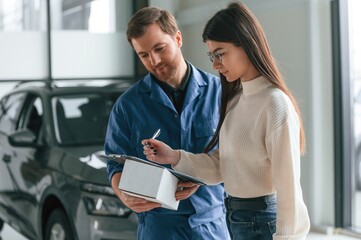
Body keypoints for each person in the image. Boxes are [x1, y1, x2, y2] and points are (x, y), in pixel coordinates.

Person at [143, 2, 311, 240]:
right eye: (211, 55)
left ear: (247, 44)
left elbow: (289, 189)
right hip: (234, 216)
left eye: (220, 53)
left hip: (263, 222)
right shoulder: (235, 100)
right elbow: (224, 165)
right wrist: (174, 156)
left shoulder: (275, 104)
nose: (215, 64)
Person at [104, 6, 230, 240]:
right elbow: (115, 163)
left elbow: (237, 157)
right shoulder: (127, 106)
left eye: (159, 48)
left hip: (211, 226)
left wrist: (203, 176)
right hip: (158, 228)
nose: (154, 60)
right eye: (143, 55)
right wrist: (124, 195)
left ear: (178, 38)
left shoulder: (220, 93)